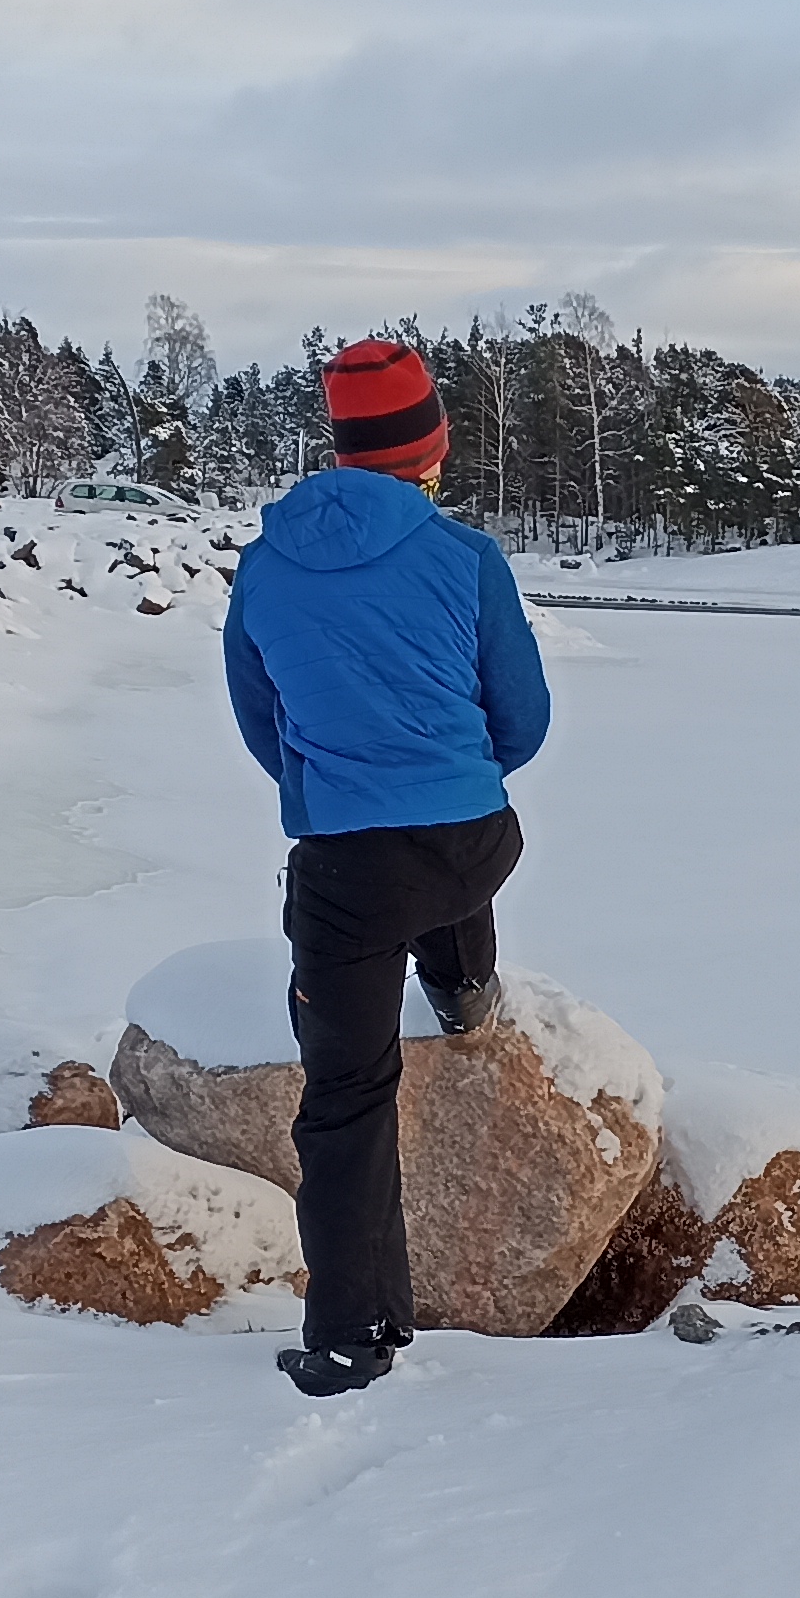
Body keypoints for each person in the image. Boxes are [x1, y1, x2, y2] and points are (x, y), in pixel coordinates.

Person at [221, 337, 550, 1398]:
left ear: (340, 443)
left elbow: (262, 727)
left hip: (350, 874)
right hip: (471, 843)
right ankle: (461, 988)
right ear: (430, 449)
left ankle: (348, 1335)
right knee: (456, 865)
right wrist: (441, 772)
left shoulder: (266, 567)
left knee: (346, 1097)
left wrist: (348, 786)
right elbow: (523, 723)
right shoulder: (466, 559)